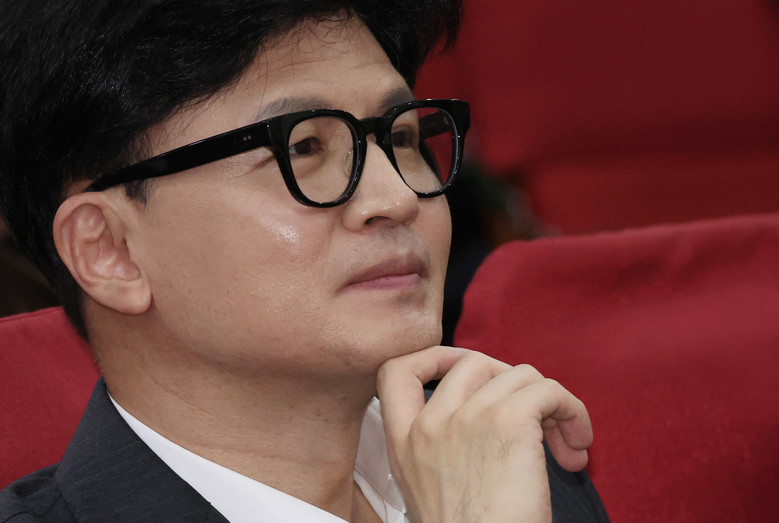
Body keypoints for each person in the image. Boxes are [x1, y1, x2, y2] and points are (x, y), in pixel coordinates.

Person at [0, 1, 608, 521]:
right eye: (304, 146)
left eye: (399, 138)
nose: (397, 198)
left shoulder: (506, 461)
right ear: (110, 251)